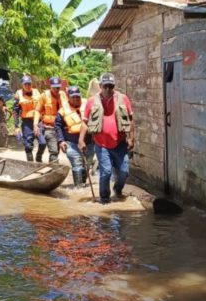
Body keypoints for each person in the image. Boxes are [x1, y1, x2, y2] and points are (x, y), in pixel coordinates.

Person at [79, 73, 134, 204]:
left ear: (114, 86)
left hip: (119, 143)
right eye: (105, 86)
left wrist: (132, 138)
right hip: (101, 144)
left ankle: (117, 189)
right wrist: (81, 140)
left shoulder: (123, 99)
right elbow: (85, 122)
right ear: (100, 86)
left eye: (111, 86)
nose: (108, 89)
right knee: (106, 172)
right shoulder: (92, 101)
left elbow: (131, 120)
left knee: (124, 172)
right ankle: (104, 199)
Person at [57, 86, 94, 188]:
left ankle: (83, 185)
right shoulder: (62, 110)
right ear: (68, 97)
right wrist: (61, 141)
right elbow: (58, 126)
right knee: (77, 165)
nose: (75, 99)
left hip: (89, 142)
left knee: (87, 165)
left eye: (77, 96)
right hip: (72, 143)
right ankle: (79, 189)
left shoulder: (88, 105)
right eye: (73, 97)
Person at [34, 76, 68, 163]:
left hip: (60, 129)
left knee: (57, 150)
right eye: (54, 87)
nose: (56, 89)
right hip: (49, 128)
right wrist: (35, 125)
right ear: (50, 86)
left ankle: (51, 167)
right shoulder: (44, 96)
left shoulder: (63, 95)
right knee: (54, 152)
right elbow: (37, 111)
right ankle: (54, 170)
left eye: (58, 87)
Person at [13, 76, 45, 162]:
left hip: (38, 121)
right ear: (22, 85)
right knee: (28, 146)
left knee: (42, 143)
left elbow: (42, 105)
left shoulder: (37, 92)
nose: (28, 85)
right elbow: (15, 111)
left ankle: (39, 157)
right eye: (25, 84)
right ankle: (31, 164)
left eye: (29, 83)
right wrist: (16, 126)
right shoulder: (18, 94)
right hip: (26, 122)